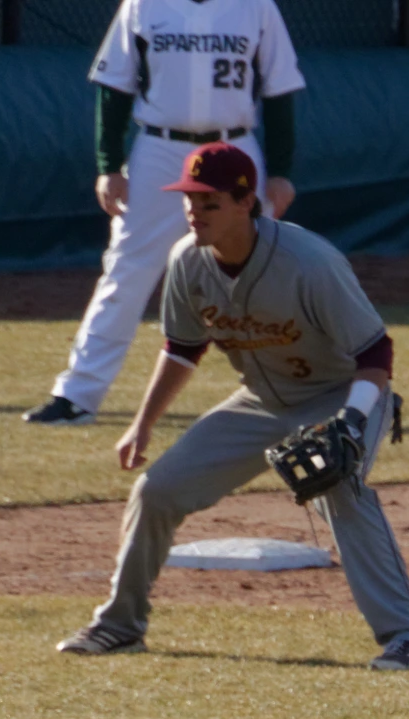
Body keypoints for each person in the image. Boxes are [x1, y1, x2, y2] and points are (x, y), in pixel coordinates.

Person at [55, 143, 409, 672]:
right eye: (189, 200)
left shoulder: (310, 262)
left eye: (209, 202)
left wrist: (350, 420)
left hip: (342, 395)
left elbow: (375, 353)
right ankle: (120, 626)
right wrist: (142, 426)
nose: (195, 212)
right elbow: (183, 349)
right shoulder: (187, 260)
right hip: (262, 401)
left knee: (339, 486)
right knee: (156, 490)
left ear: (245, 203)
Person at [23, 0, 304, 427]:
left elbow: (279, 89)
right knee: (127, 268)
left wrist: (281, 171)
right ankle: (77, 395)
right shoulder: (143, 4)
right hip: (159, 147)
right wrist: (109, 165)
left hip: (233, 148)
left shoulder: (254, 6)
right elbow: (114, 86)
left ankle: (293, 388)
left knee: (262, 269)